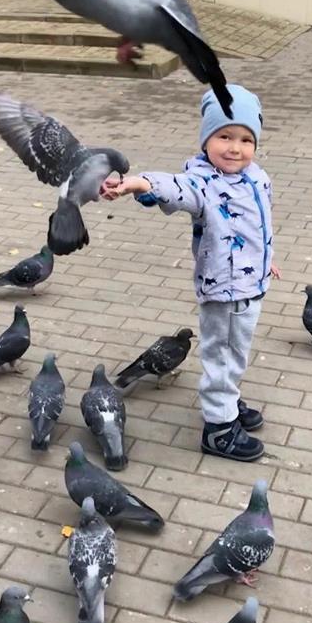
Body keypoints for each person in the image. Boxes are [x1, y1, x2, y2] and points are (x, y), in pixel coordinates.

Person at [102, 84, 279, 462]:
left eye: (246, 139)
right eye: (224, 136)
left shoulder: (256, 177)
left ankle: (226, 400)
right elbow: (174, 187)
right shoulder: (203, 182)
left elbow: (258, 226)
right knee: (223, 355)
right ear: (206, 139)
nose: (235, 148)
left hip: (251, 283)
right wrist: (140, 183)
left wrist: (265, 258)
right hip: (225, 290)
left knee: (234, 353)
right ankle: (219, 428)